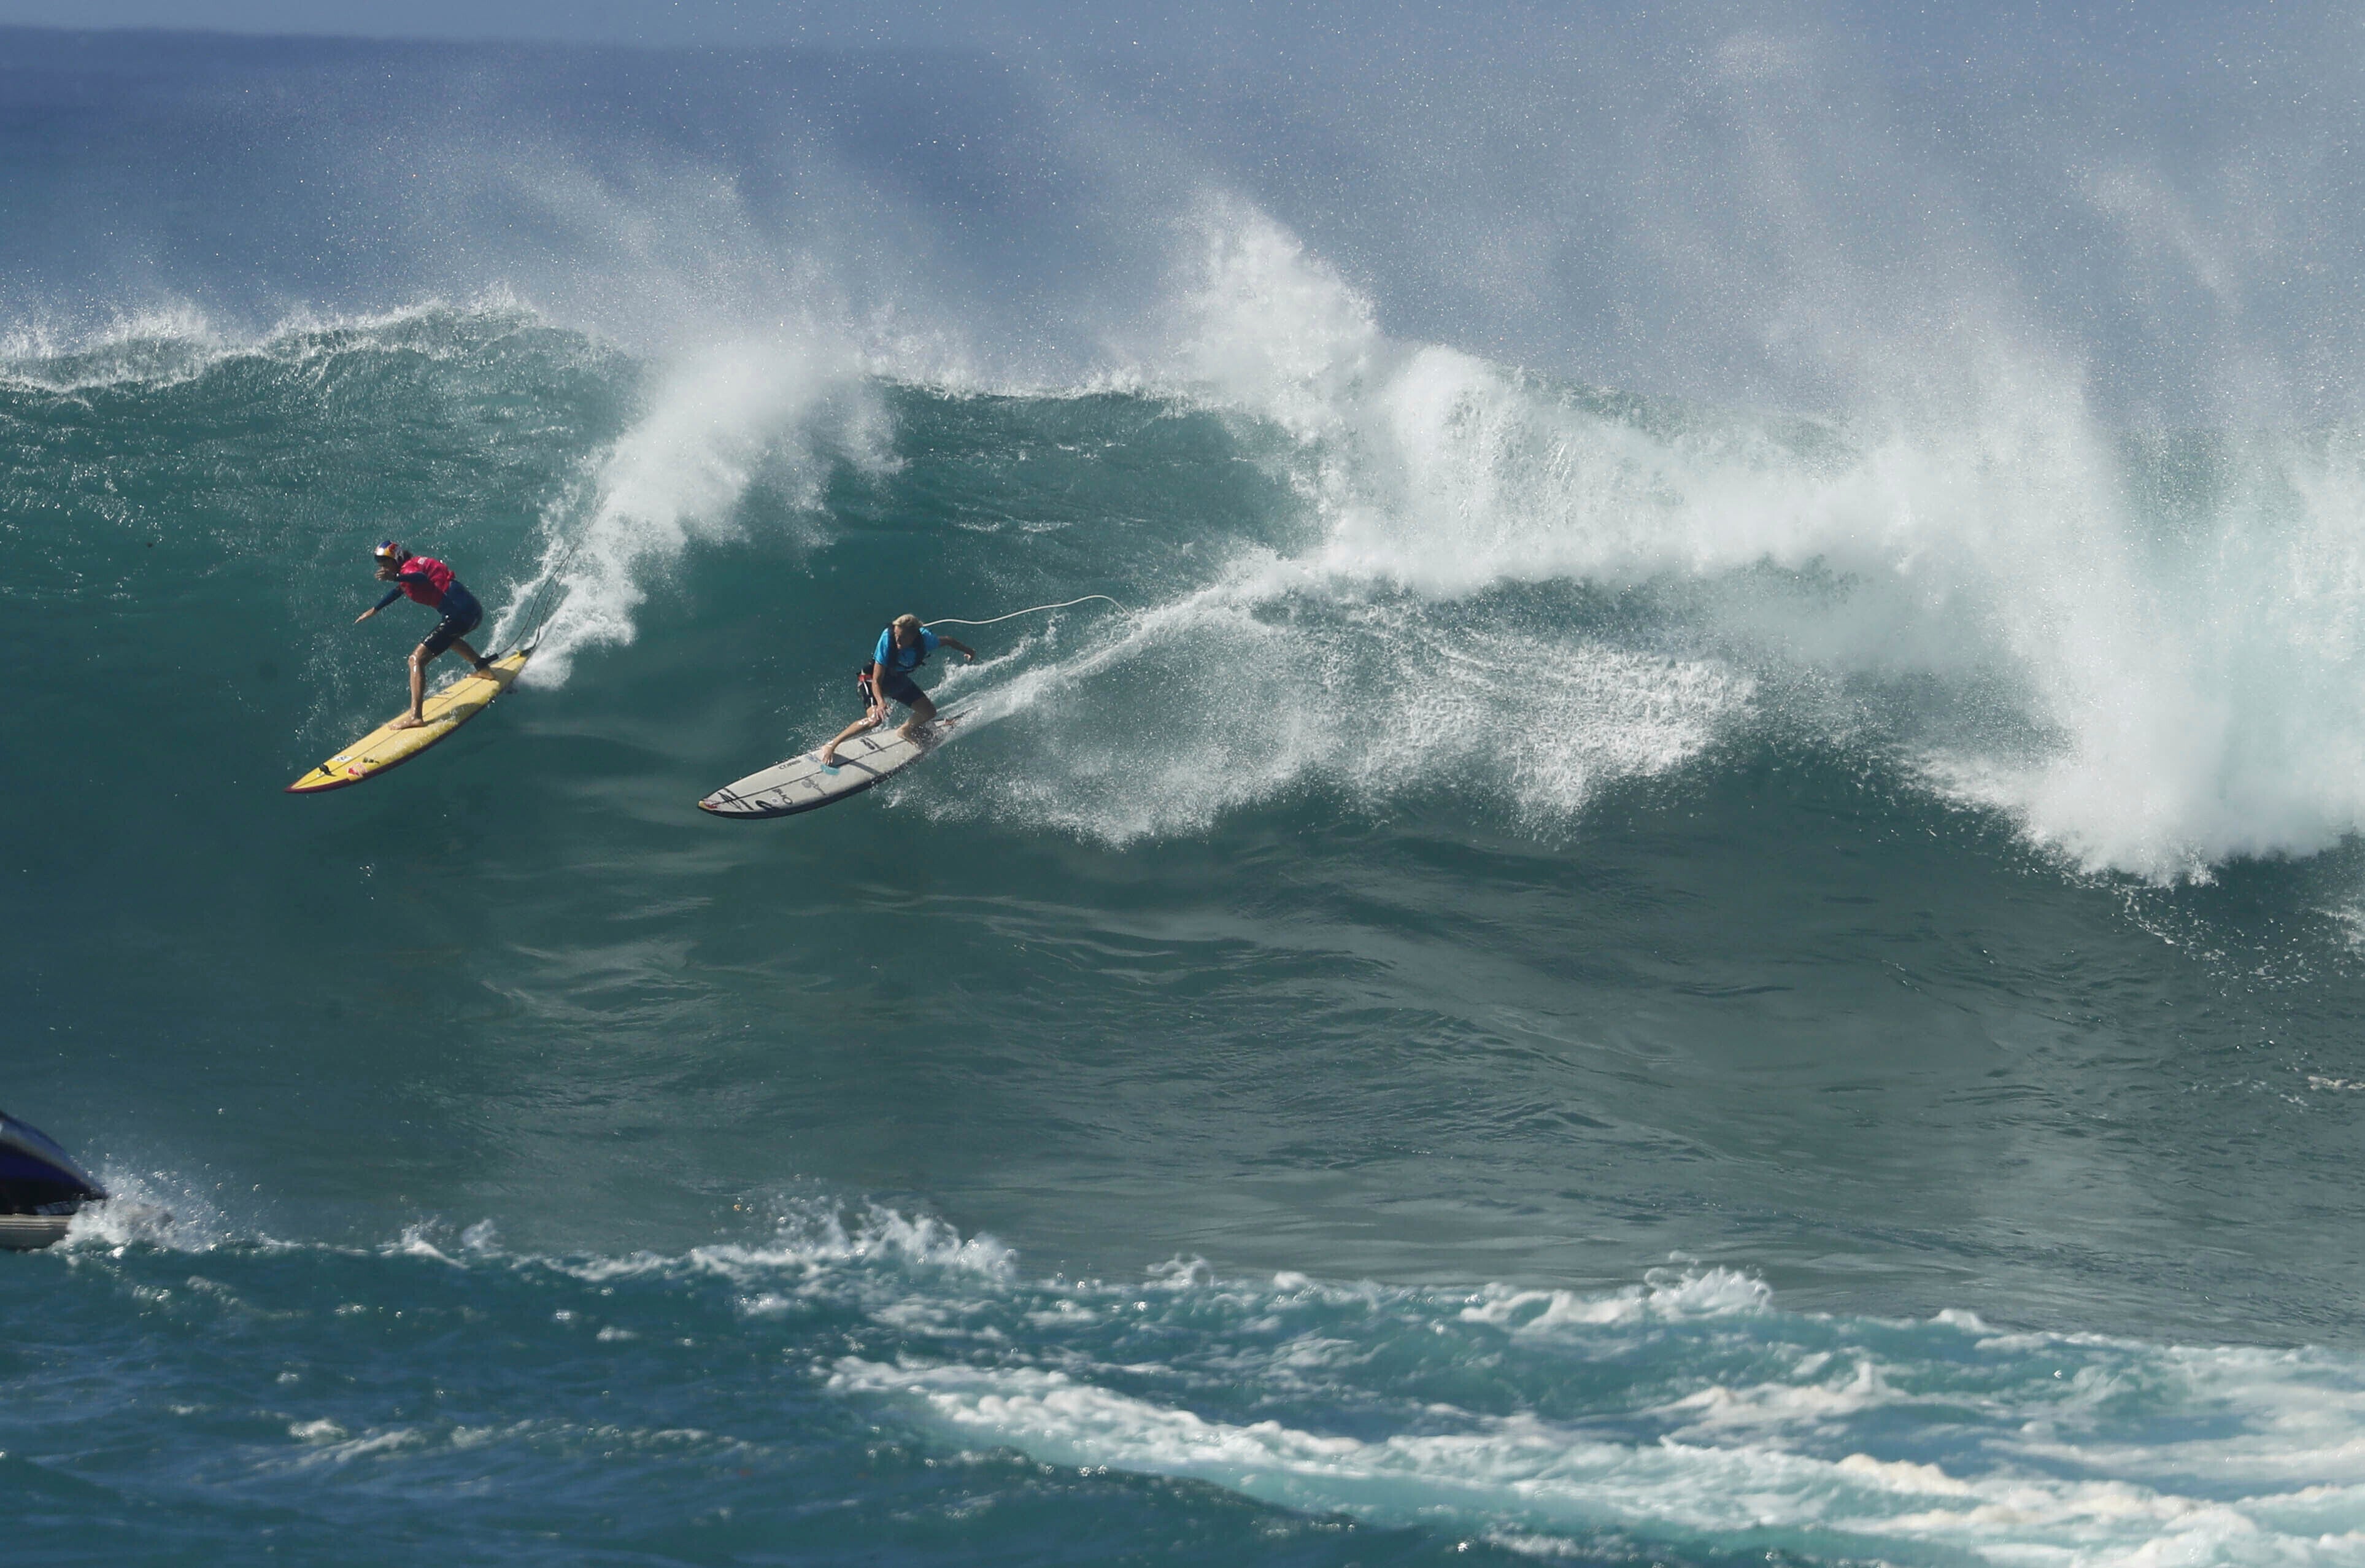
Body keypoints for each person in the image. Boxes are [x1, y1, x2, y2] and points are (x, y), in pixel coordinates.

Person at [353, 539, 493, 730]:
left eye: (386, 564)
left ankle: (416, 717)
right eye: (381, 565)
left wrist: (394, 576)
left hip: (458, 616)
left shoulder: (409, 570)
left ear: (397, 559)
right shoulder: (413, 565)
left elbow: (421, 578)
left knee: (415, 660)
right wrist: (375, 609)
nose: (383, 568)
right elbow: (401, 588)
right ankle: (483, 669)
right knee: (450, 640)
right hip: (472, 612)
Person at [818, 613, 977, 766]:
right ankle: (832, 744)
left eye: (902, 637)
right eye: (896, 635)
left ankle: (905, 731)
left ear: (913, 636)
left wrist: (969, 650)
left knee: (929, 712)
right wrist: (880, 702)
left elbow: (949, 641)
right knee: (875, 720)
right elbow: (877, 680)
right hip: (870, 679)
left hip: (896, 680)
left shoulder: (926, 641)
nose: (897, 640)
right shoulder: (887, 642)